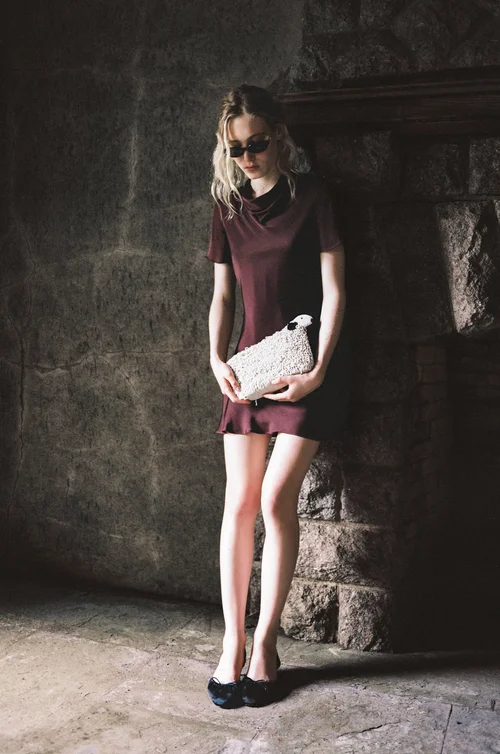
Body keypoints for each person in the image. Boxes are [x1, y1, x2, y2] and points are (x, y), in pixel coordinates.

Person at [205, 84, 351, 708]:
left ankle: (266, 644)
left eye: (257, 143)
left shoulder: (313, 196)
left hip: (304, 372)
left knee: (273, 499)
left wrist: (317, 371)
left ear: (280, 137)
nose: (248, 157)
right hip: (248, 371)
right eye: (236, 148)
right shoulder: (226, 206)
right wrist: (215, 358)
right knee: (238, 504)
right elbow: (222, 295)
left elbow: (336, 291)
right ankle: (232, 644)